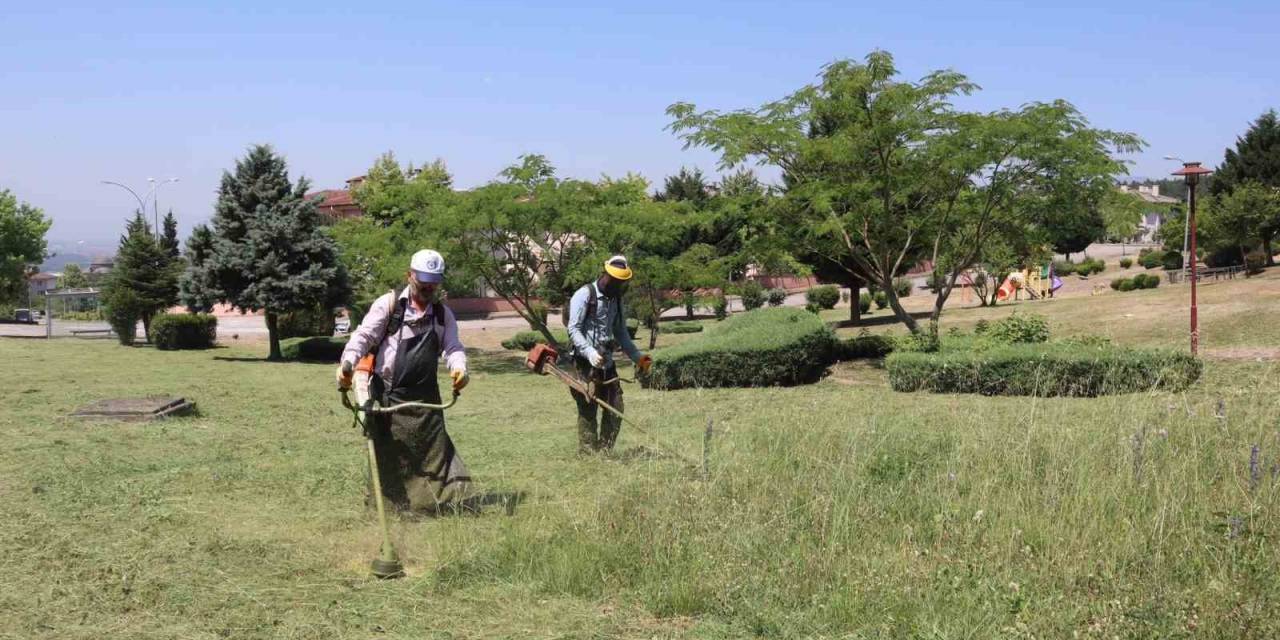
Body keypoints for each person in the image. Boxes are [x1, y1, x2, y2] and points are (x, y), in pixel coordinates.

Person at [336, 249, 472, 513]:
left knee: (431, 458)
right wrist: (348, 363)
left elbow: (453, 347)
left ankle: (433, 506)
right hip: (389, 397)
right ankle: (388, 509)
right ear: (409, 276)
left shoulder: (443, 315)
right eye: (423, 282)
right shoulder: (389, 306)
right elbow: (363, 337)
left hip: (426, 401)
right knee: (391, 459)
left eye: (434, 283)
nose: (428, 288)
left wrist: (460, 368)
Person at [566, 255, 652, 453]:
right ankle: (588, 455)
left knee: (616, 408)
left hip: (607, 364)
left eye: (622, 283)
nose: (618, 286)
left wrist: (641, 359)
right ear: (605, 275)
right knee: (588, 410)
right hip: (584, 364)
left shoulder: (617, 300)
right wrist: (588, 352)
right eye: (616, 281)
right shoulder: (584, 294)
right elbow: (573, 329)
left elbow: (621, 333)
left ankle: (604, 451)